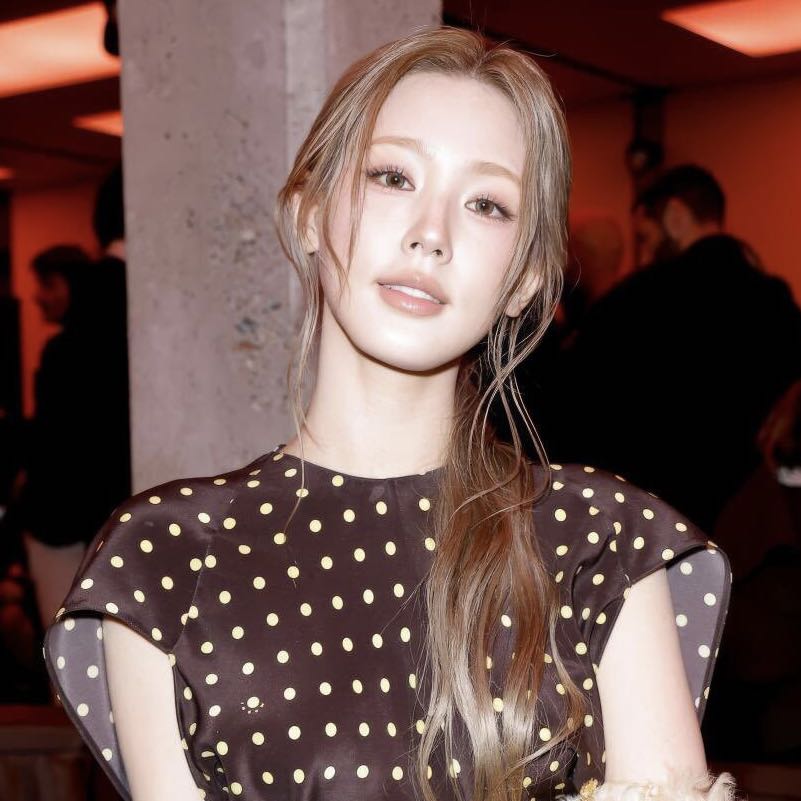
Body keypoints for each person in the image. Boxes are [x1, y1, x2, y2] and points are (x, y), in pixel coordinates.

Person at [43, 28, 735, 801]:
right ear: (309, 212)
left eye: (485, 203)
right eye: (392, 176)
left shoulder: (602, 543)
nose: (429, 234)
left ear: (525, 278)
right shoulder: (164, 558)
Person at [544, 165, 801, 532]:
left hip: (656, 524)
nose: (645, 252)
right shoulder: (777, 300)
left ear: (675, 216)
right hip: (749, 524)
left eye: (645, 237)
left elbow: (571, 408)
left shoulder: (641, 299)